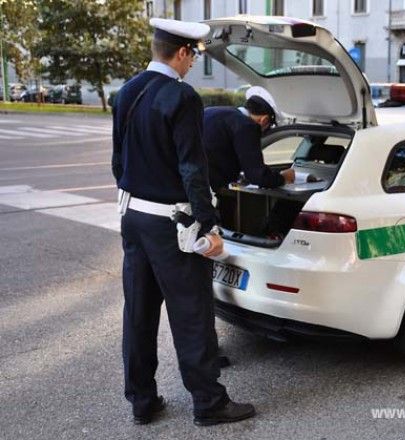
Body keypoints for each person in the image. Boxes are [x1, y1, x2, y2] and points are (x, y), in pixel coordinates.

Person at [111, 17, 255, 427]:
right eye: (192, 55)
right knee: (191, 314)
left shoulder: (127, 92)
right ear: (182, 53)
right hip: (171, 226)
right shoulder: (182, 97)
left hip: (133, 218)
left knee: (138, 312)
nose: (191, 64)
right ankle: (209, 403)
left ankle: (142, 400)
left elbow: (117, 161)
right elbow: (193, 169)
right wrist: (209, 227)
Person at [202, 87, 296, 227]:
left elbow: (219, 151)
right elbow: (258, 176)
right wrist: (284, 177)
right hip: (206, 191)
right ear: (264, 120)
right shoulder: (247, 126)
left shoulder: (213, 112)